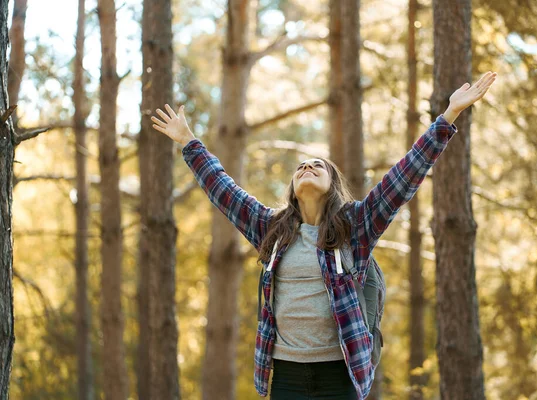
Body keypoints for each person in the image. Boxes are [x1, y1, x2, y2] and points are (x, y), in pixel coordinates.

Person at [151, 71, 497, 400]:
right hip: (285, 373)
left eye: (318, 165)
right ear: (293, 188)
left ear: (333, 186)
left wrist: (449, 114)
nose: (307, 167)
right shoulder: (271, 229)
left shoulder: (356, 226)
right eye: (301, 166)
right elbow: (223, 189)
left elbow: (405, 175)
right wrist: (188, 142)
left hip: (339, 374)